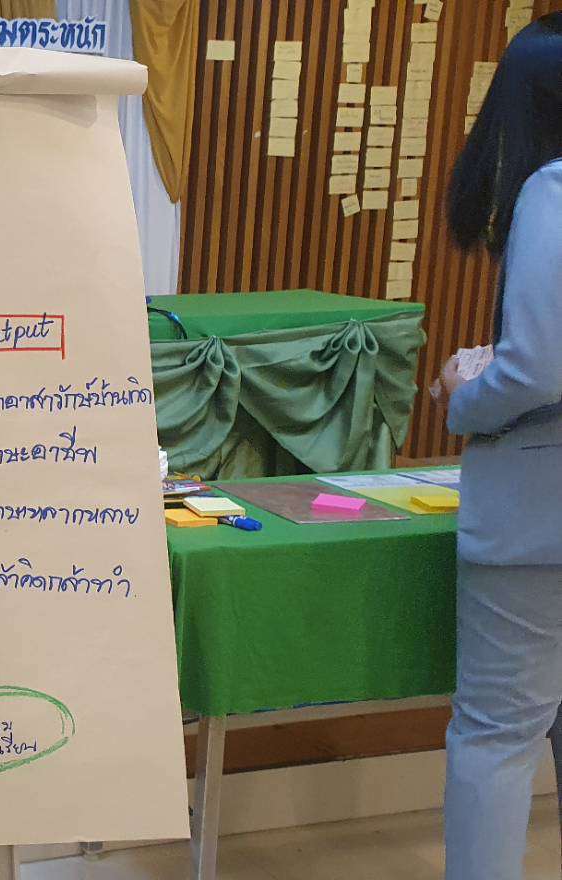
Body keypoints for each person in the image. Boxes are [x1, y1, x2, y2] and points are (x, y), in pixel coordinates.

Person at [438, 13, 562, 878]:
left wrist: (464, 394)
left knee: (497, 733)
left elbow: (538, 368)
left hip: (538, 517)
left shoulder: (551, 188)